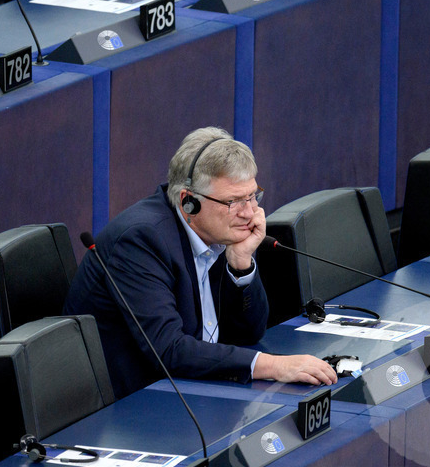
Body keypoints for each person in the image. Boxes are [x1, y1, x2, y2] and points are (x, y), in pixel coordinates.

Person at [64, 127, 337, 398]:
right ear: (189, 202)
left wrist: (241, 263)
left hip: (194, 388)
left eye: (252, 196)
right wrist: (273, 365)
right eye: (233, 201)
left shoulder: (217, 231)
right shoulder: (140, 240)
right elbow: (169, 350)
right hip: (133, 405)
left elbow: (249, 333)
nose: (249, 212)